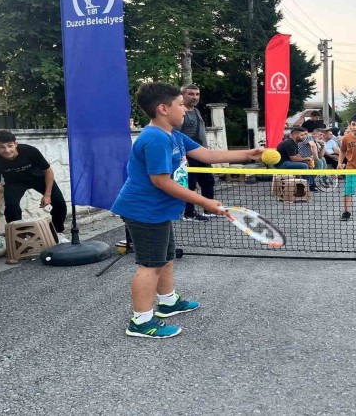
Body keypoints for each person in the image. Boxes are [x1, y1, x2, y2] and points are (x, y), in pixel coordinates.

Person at [111, 82, 263, 339]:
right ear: (162, 108)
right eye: (180, 105)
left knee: (166, 256)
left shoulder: (173, 134)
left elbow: (205, 154)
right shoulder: (155, 138)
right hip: (144, 210)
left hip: (158, 210)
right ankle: (140, 321)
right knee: (150, 265)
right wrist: (204, 201)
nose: (185, 110)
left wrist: (248, 154)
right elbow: (161, 181)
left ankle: (168, 302)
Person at [0, 130, 70, 242]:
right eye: (1, 147)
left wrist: (47, 195)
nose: (7, 150)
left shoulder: (29, 151)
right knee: (11, 207)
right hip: (15, 182)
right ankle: (20, 239)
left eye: (10, 146)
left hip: (38, 178)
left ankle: (57, 233)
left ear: (16, 143)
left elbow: (48, 171)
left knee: (59, 203)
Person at [179, 84, 215, 222]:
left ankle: (209, 209)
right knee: (190, 185)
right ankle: (189, 213)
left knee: (208, 181)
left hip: (202, 154)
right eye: (191, 94)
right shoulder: (181, 113)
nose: (195, 97)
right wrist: (183, 156)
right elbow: (176, 135)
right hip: (189, 156)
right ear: (182, 95)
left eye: (197, 94)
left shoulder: (196, 111)